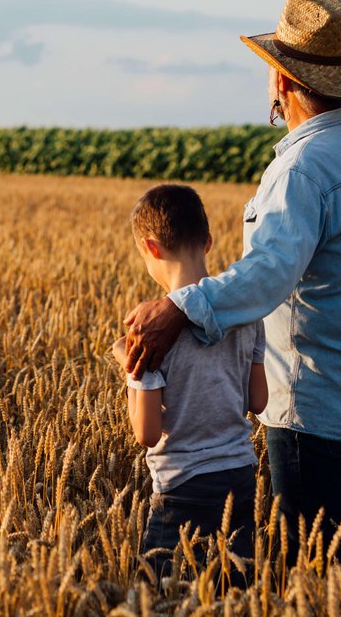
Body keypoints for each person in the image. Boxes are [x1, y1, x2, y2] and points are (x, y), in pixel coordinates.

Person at [123, 0, 341, 561]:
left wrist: (180, 307)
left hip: (310, 402)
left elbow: (269, 274)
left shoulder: (302, 168)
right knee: (338, 562)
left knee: (310, 567)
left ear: (281, 81)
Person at [109, 183, 268, 583]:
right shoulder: (247, 315)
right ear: (209, 242)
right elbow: (260, 400)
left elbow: (146, 432)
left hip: (182, 486)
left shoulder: (151, 334)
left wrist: (128, 364)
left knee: (163, 592)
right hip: (240, 476)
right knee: (232, 589)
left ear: (152, 248)